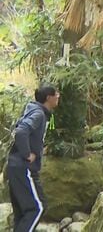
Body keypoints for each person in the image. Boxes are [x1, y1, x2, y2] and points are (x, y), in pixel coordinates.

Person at [7, 83, 60, 231]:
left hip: (15, 166)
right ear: (49, 98)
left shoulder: (34, 111)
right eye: (56, 94)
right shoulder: (38, 114)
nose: (58, 96)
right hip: (24, 167)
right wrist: (27, 154)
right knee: (37, 208)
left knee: (23, 213)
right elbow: (21, 132)